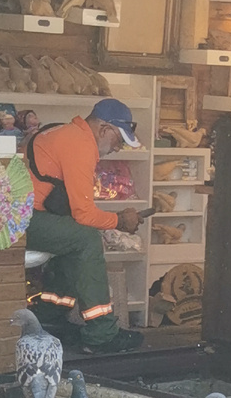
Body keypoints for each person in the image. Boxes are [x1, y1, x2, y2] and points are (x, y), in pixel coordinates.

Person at [25, 97, 143, 354]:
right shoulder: (80, 145)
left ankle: (50, 316)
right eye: (118, 139)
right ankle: (101, 334)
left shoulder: (66, 132)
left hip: (25, 216)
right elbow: (84, 214)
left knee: (73, 238)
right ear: (104, 129)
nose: (118, 148)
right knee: (86, 238)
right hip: (25, 220)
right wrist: (120, 221)